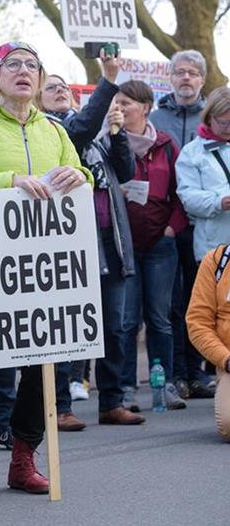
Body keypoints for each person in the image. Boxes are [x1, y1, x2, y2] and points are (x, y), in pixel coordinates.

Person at [0, 41, 90, 500]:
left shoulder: (54, 130)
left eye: (32, 65)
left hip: (41, 266)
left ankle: (24, 457)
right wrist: (10, 183)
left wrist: (80, 176)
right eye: (13, 64)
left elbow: (80, 180)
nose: (24, 71)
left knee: (43, 363)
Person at [37, 62, 145, 429]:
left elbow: (126, 171)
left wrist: (117, 132)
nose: (60, 90)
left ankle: (111, 402)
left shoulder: (96, 130)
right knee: (67, 328)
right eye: (51, 87)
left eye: (64, 87)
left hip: (109, 240)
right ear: (37, 99)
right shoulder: (48, 132)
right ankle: (60, 406)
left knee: (114, 326)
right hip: (71, 245)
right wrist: (109, 80)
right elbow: (78, 132)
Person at [112, 80, 189, 412]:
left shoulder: (167, 145)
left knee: (160, 318)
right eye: (116, 103)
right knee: (127, 321)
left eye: (125, 103)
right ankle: (126, 388)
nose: (119, 108)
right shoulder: (109, 142)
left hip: (160, 246)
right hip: (124, 247)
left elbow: (181, 192)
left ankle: (165, 383)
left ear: (145, 107)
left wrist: (172, 229)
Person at [153, 50, 213, 399]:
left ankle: (197, 372)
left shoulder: (214, 118)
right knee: (170, 305)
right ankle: (174, 374)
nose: (186, 78)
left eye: (192, 72)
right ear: (170, 78)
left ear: (202, 79)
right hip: (166, 226)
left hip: (203, 225)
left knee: (200, 301)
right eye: (179, 72)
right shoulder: (156, 119)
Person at [177, 87, 230, 266]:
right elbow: (188, 197)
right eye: (223, 122)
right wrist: (219, 202)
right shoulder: (192, 152)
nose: (229, 128)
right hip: (214, 249)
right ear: (209, 118)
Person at [185, 244, 230, 442]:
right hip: (229, 360)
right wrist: (225, 359)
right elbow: (198, 323)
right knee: (228, 424)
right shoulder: (216, 260)